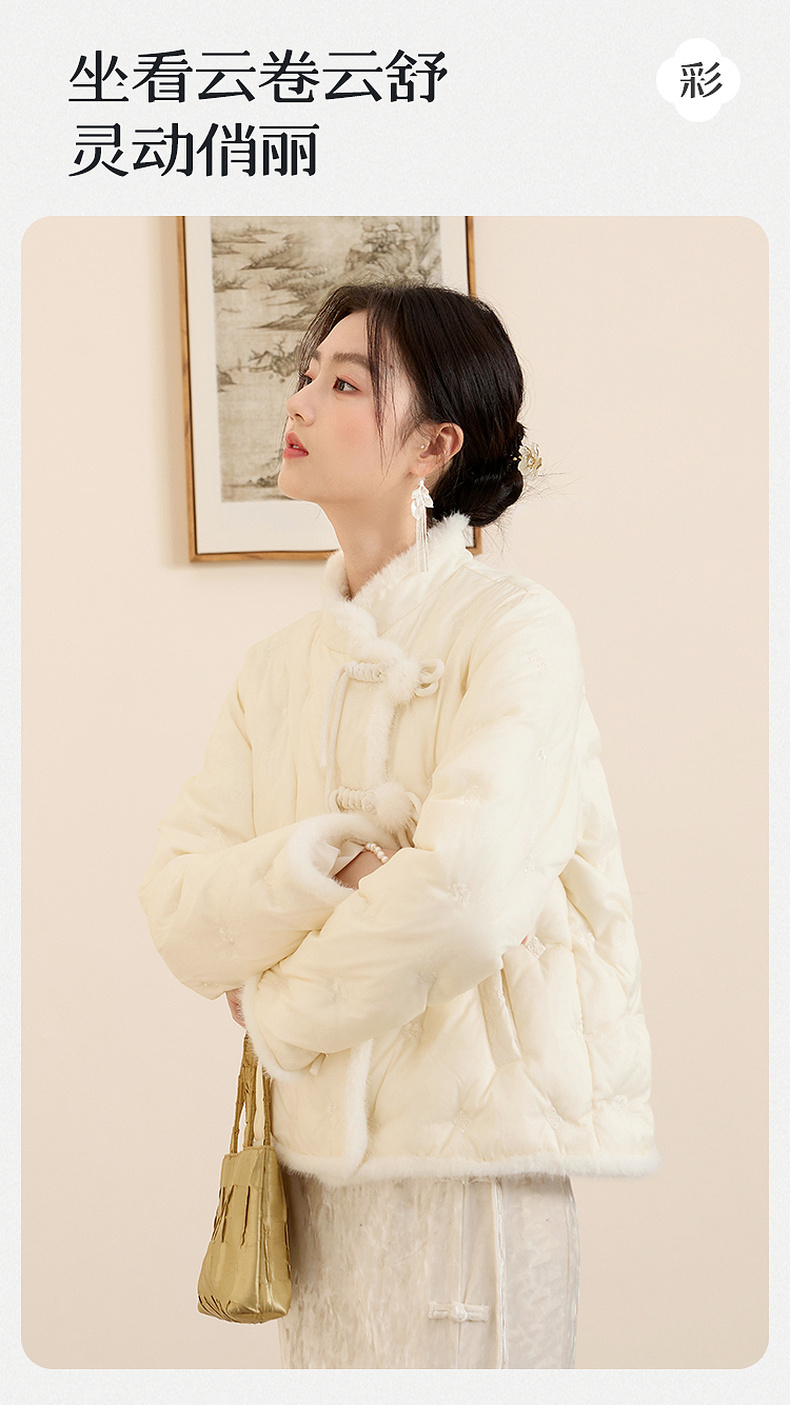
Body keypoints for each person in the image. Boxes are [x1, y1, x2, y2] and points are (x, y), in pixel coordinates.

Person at [138, 281, 658, 1369]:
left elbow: (464, 900)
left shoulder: (516, 630)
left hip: (473, 1183)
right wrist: (330, 865)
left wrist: (273, 999)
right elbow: (181, 910)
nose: (297, 400)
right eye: (305, 374)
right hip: (315, 1184)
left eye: (344, 383)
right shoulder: (278, 668)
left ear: (433, 444)